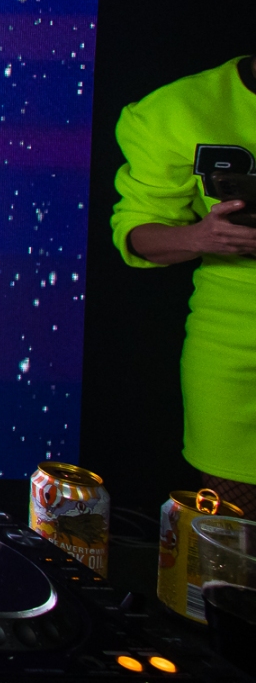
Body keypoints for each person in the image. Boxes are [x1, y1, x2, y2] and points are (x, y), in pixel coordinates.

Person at [111, 55, 256, 513]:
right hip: (236, 348)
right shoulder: (177, 108)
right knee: (233, 533)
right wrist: (201, 237)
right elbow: (136, 232)